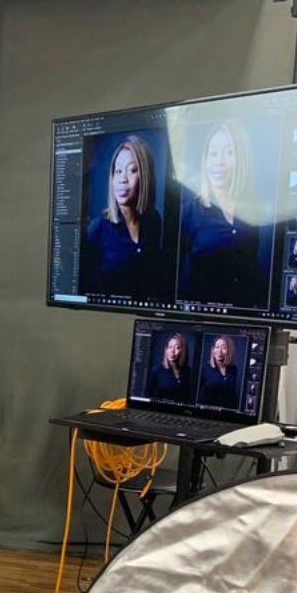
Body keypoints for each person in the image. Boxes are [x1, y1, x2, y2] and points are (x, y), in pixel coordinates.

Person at [180, 123, 263, 307]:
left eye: (229, 152)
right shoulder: (187, 213)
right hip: (203, 320)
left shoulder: (253, 208)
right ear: (205, 159)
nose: (219, 161)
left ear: (241, 159)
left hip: (249, 317)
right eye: (213, 153)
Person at [81, 135, 163, 298]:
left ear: (145, 176)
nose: (122, 179)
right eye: (118, 171)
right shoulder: (97, 229)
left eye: (132, 170)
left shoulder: (154, 221)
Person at [146, 332, 193, 404]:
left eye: (177, 348)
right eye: (170, 347)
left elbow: (188, 396)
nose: (172, 351)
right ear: (166, 349)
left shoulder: (186, 370)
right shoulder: (157, 371)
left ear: (182, 351)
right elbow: (148, 396)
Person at [199, 335, 239, 409]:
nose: (219, 351)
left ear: (229, 350)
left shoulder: (233, 369)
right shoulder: (206, 369)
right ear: (213, 349)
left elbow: (232, 395)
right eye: (217, 347)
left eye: (224, 348)